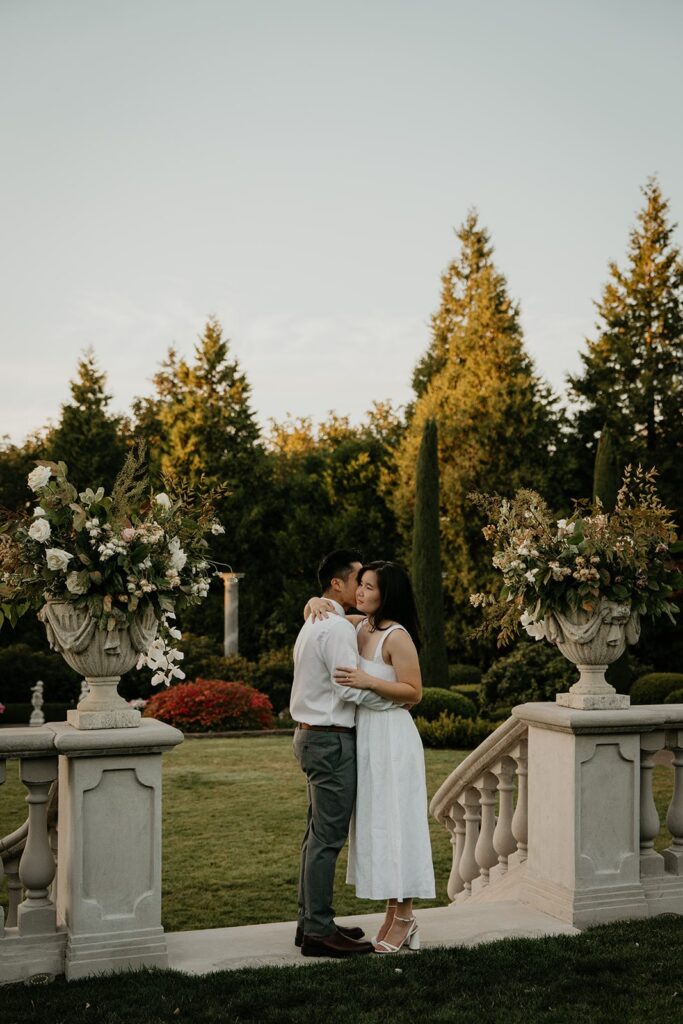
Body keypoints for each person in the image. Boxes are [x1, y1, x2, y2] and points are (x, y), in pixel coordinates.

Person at [307, 560, 435, 954]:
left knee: (400, 823)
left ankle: (406, 916)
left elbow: (414, 692)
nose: (360, 593)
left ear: (388, 594)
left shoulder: (396, 637)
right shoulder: (359, 626)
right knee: (378, 824)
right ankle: (392, 911)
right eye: (359, 586)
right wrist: (313, 601)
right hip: (366, 739)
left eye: (369, 588)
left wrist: (369, 680)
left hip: (393, 739)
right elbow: (325, 608)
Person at [290, 549, 403, 958]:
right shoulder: (333, 626)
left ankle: (310, 923)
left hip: (312, 736)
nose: (363, 586)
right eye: (359, 579)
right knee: (326, 839)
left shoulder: (316, 621)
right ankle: (318, 931)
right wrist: (394, 700)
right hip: (331, 740)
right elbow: (348, 687)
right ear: (337, 584)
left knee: (315, 835)